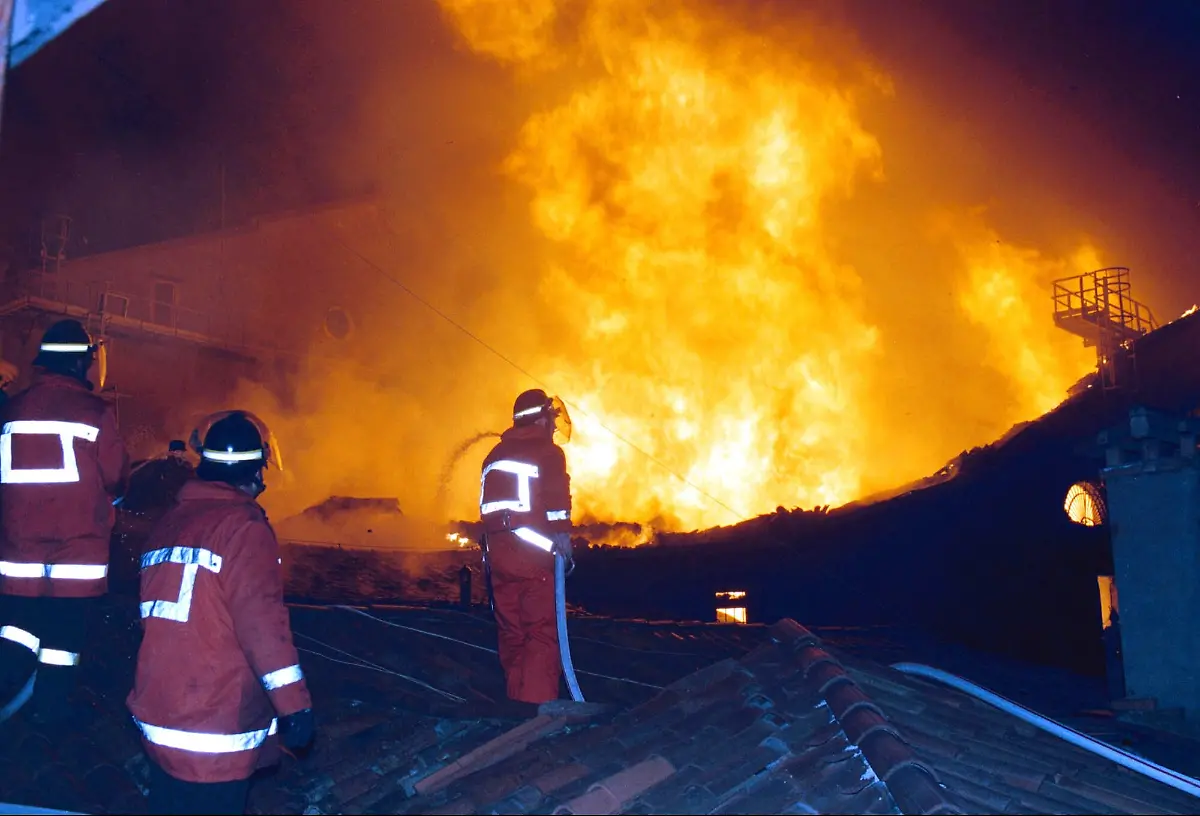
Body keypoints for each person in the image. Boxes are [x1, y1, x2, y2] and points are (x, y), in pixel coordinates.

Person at [126, 410, 313, 815]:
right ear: (255, 470)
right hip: (212, 727)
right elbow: (263, 629)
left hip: (158, 715)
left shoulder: (170, 524)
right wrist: (294, 706)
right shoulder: (243, 528)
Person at [0, 319, 129, 724]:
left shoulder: (12, 409)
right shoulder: (95, 413)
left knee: (16, 630)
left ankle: (12, 705)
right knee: (62, 643)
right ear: (80, 364)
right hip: (76, 557)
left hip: (16, 556)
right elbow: (117, 476)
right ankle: (50, 719)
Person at [479, 388, 573, 704]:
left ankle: (516, 710)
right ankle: (538, 712)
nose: (555, 427)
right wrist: (562, 540)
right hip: (533, 556)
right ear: (542, 419)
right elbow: (557, 503)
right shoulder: (547, 453)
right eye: (552, 420)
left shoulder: (493, 456)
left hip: (498, 558)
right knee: (542, 634)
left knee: (513, 634)